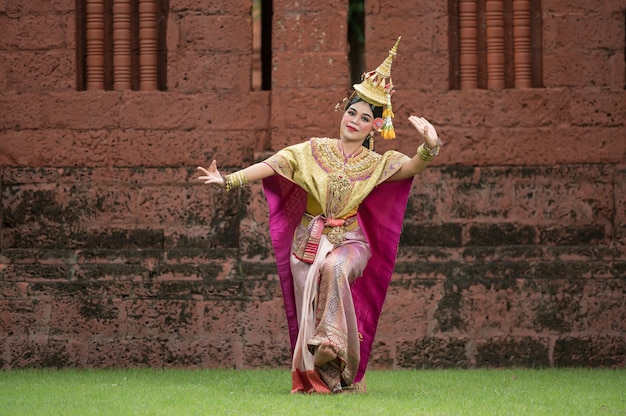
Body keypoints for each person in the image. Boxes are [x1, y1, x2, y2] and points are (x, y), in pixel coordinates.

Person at [196, 37, 441, 394]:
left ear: (375, 127)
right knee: (310, 306)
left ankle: (331, 345)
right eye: (352, 113)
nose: (355, 121)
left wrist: (430, 145)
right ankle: (336, 375)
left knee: (335, 268)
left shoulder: (377, 164)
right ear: (343, 112)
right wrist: (228, 180)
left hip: (351, 241)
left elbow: (412, 166)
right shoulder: (312, 150)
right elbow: (271, 165)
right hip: (307, 242)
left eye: (364, 118)